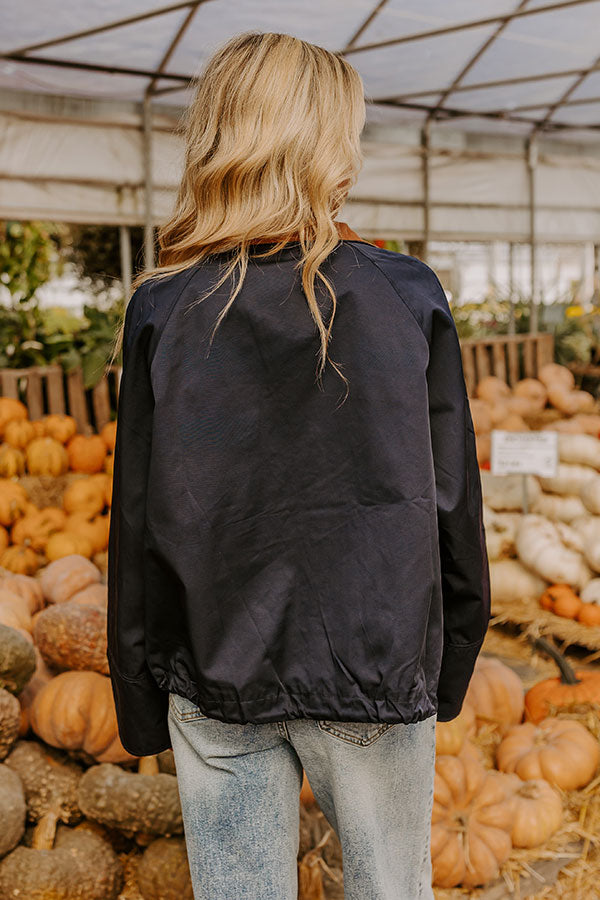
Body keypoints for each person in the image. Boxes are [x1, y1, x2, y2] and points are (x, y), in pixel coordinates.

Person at [107, 30, 490, 900]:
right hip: (375, 656)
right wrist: (450, 661)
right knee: (392, 889)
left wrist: (140, 693)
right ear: (326, 142)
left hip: (216, 666)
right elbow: (452, 502)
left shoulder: (163, 310)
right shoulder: (405, 295)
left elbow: (134, 519)